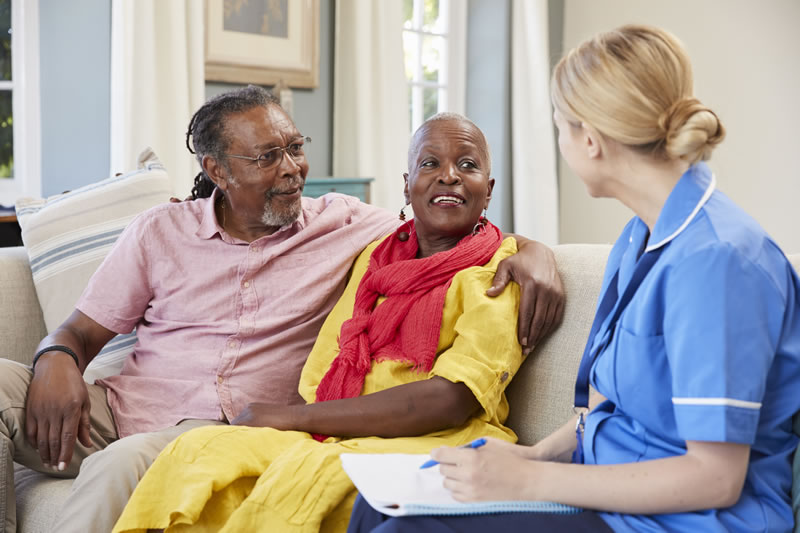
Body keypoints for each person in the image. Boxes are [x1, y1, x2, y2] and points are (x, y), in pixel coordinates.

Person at [0, 87, 563, 533]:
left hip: (215, 429)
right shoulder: (159, 231)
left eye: (295, 147)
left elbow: (448, 220)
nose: (292, 168)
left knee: (119, 464)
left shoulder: (345, 224)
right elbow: (79, 331)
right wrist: (56, 357)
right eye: (268, 157)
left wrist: (535, 251)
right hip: (121, 409)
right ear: (217, 170)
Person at [347, 24, 800, 533]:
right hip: (604, 490)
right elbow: (608, 403)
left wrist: (528, 482)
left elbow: (714, 480)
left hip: (680, 521)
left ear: (590, 139)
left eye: (559, 126)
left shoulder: (717, 263)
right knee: (378, 506)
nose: (559, 141)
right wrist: (533, 456)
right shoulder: (640, 237)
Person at [111, 112, 525, 532]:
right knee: (198, 452)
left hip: (433, 438)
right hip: (335, 427)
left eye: (468, 165)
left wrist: (291, 418)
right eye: (430, 164)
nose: (449, 177)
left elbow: (453, 400)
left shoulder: (499, 273)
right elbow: (323, 369)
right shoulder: (376, 256)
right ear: (406, 185)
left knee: (300, 481)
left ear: (488, 192)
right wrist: (305, 421)